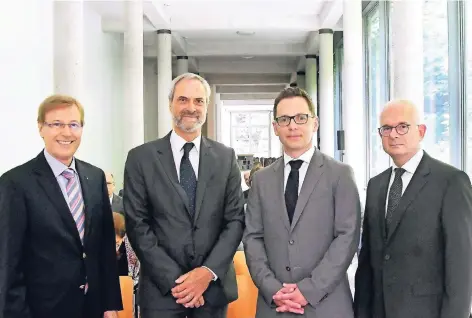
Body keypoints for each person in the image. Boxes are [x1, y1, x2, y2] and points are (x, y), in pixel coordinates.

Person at [124, 73, 245, 318]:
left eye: (199, 101)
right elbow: (138, 225)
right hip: (162, 293)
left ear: (207, 107)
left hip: (212, 291)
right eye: (183, 100)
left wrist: (205, 274)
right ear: (170, 104)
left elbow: (235, 221)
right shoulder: (141, 158)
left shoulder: (225, 158)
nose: (191, 107)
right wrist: (178, 282)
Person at [0, 94, 122, 318]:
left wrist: (110, 304)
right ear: (40, 128)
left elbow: (104, 247)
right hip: (42, 310)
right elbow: (8, 261)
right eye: (56, 124)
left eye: (74, 124)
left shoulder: (94, 177)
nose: (66, 132)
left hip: (92, 308)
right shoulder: (15, 183)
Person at [243, 87, 361, 318]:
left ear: (314, 123)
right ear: (275, 127)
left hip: (326, 305)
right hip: (274, 306)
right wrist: (273, 289)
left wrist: (309, 290)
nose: (293, 125)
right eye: (284, 119)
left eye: (301, 118)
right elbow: (252, 237)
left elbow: (347, 238)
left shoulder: (340, 174)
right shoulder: (262, 180)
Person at [354, 100, 472, 318]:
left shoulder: (451, 181)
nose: (394, 134)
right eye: (386, 129)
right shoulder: (376, 185)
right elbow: (367, 262)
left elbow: (461, 266)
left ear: (421, 131)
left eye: (402, 126)